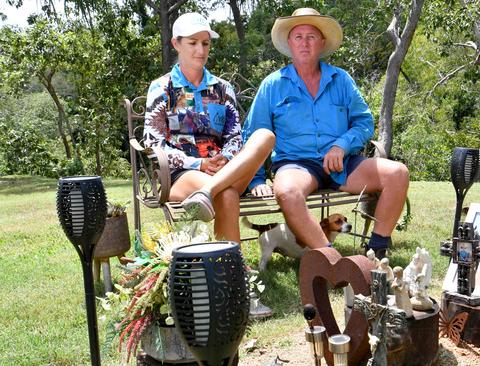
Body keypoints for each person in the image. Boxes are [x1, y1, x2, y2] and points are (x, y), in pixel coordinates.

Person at [243, 8, 409, 259]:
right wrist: (255, 180)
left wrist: (342, 145)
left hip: (343, 162)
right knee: (287, 192)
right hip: (297, 164)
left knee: (398, 173)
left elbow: (364, 122)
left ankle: (377, 250)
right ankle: (330, 259)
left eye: (311, 36)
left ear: (322, 43)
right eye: (298, 36)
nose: (305, 43)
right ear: (289, 43)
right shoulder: (273, 85)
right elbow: (255, 133)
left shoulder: (341, 80)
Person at [143, 13, 275, 242]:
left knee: (265, 136)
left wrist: (224, 158)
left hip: (225, 170)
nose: (201, 51)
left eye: (205, 43)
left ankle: (208, 195)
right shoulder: (163, 88)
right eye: (192, 43)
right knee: (227, 194)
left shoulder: (223, 88)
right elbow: (154, 143)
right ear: (176, 44)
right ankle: (232, 267)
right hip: (181, 175)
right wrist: (199, 164)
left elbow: (235, 137)